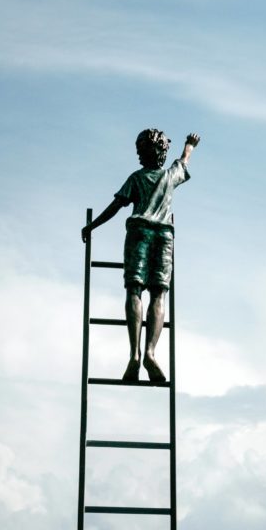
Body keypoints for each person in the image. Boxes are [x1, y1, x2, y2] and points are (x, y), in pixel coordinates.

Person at [82, 129, 200, 382]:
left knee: (134, 290)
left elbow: (116, 206)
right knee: (159, 293)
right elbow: (184, 161)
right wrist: (189, 145)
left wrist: (92, 227)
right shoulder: (170, 176)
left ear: (146, 153)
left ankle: (135, 354)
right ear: (161, 153)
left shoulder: (136, 178)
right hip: (164, 235)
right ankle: (150, 352)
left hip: (139, 233)